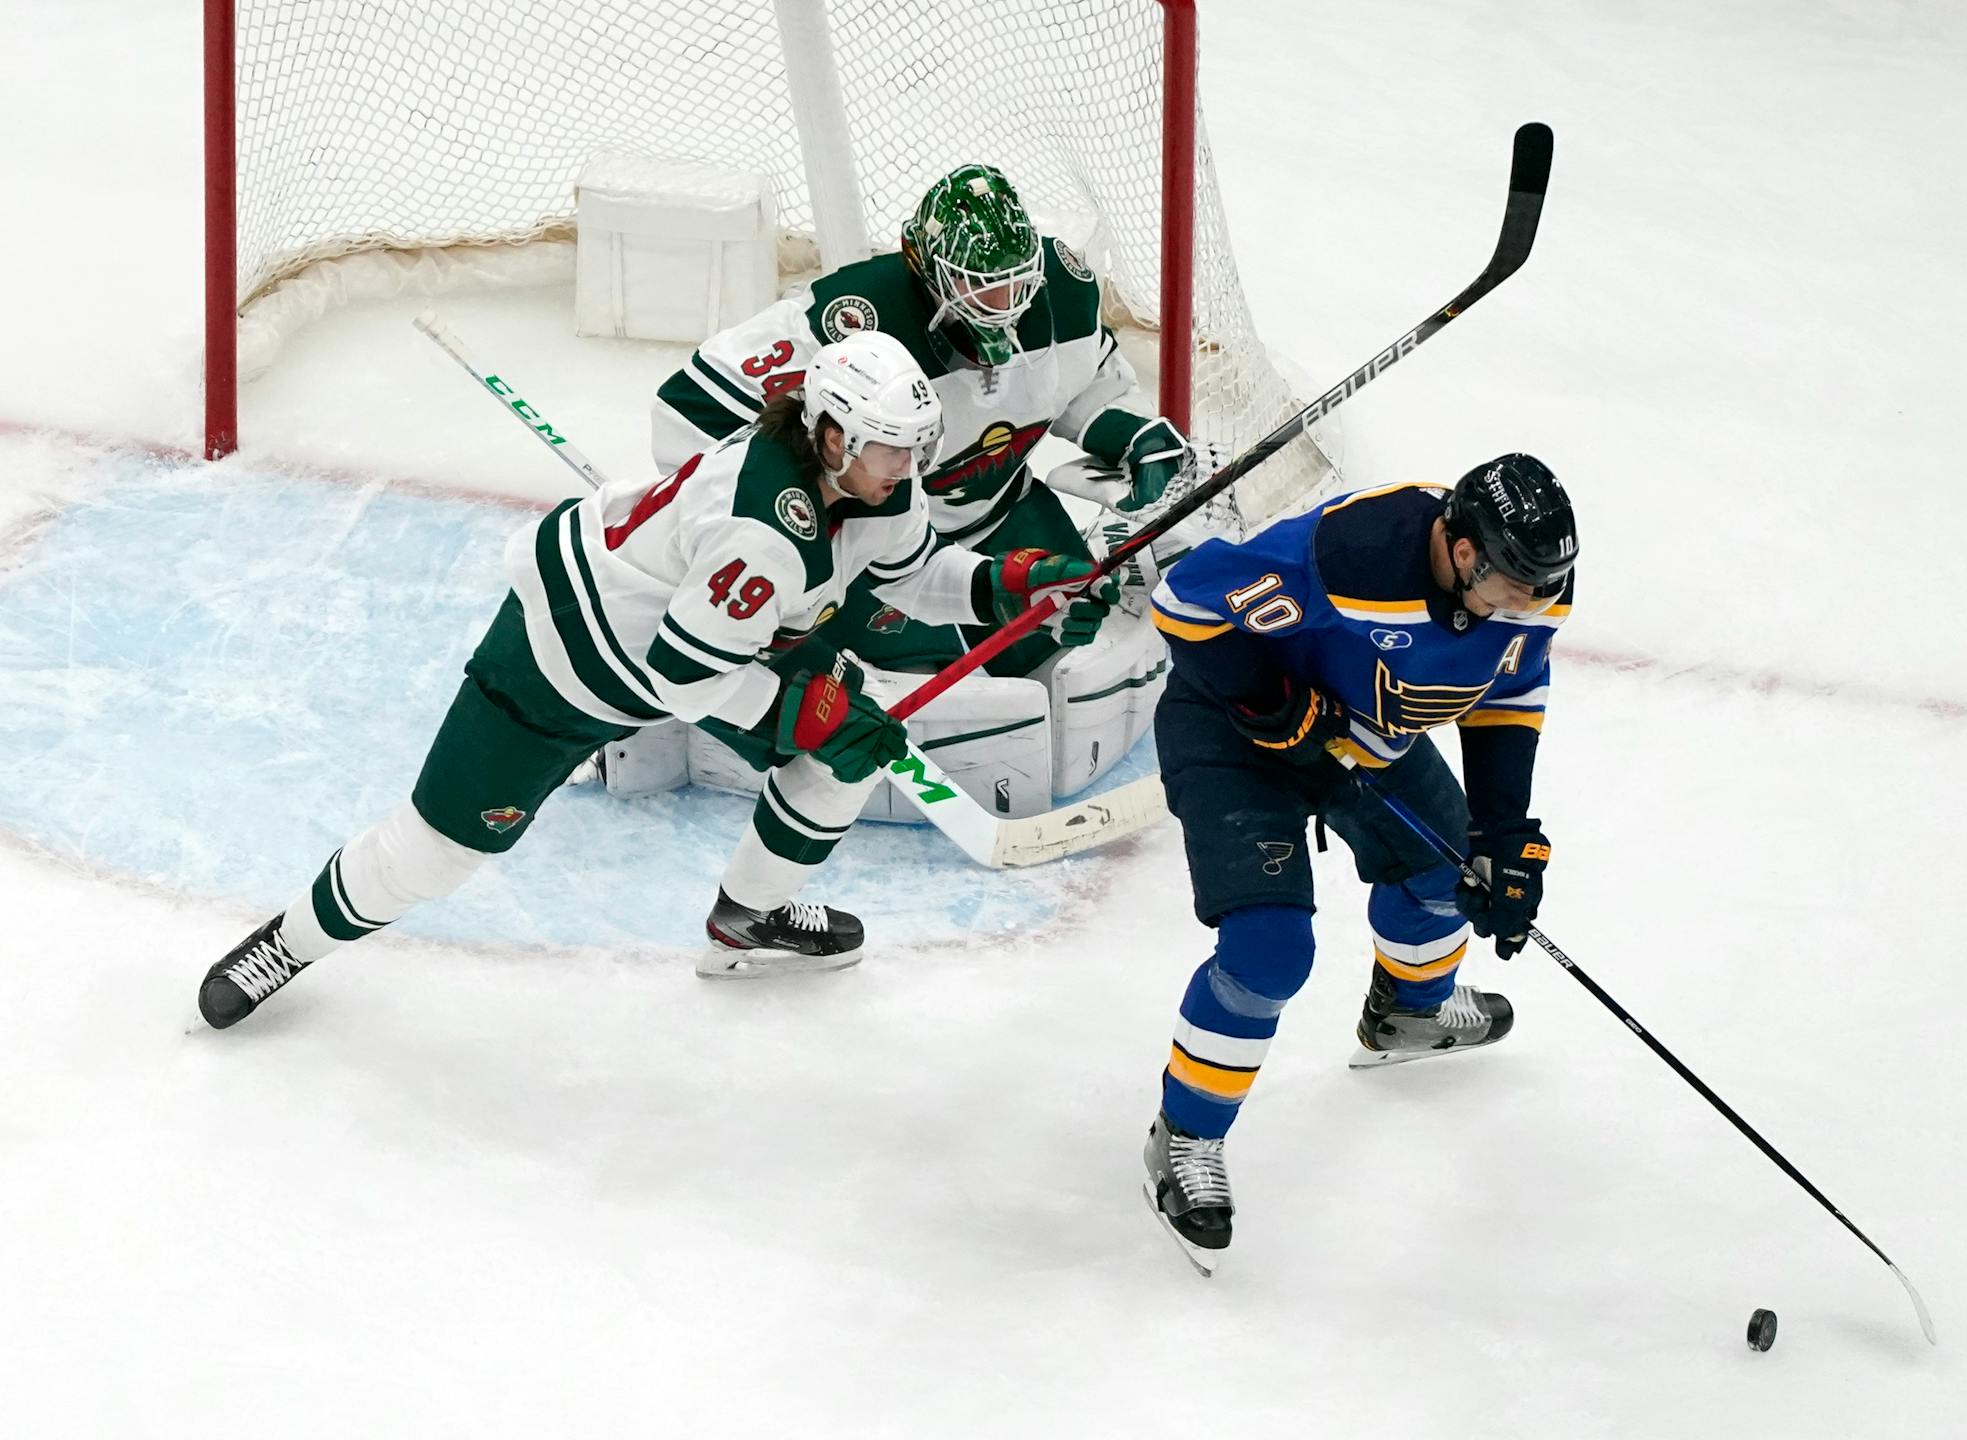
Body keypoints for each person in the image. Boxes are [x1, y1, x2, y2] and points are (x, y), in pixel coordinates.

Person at [195, 333, 1117, 1029]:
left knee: (851, 750)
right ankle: (289, 941)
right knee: (437, 853)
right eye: (888, 449)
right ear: (830, 432)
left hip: (713, 638)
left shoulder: (876, 483)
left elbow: (905, 572)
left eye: (916, 450)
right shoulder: (761, 526)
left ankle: (746, 924)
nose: (906, 471)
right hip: (569, 659)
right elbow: (682, 681)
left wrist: (1000, 583)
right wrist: (808, 711)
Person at [1138, 454, 1579, 1261]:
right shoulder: (1357, 554)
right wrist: (1265, 699)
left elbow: (1509, 693)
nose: (1524, 607)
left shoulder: (1532, 589)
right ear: (1464, 548)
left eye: (1539, 592)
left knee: (1451, 875)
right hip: (1234, 734)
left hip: (1360, 736)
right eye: (1510, 588)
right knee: (1268, 953)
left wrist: (1503, 834)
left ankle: (1407, 1012)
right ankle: (1186, 1135)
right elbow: (1185, 599)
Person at [650, 161, 1195, 680]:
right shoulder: (856, 321)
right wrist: (775, 524)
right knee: (924, 685)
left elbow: (1087, 383)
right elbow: (690, 408)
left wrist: (1134, 433)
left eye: (1015, 281)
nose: (1003, 304)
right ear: (927, 271)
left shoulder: (1064, 291)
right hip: (880, 546)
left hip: (1004, 511)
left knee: (1073, 624)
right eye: (978, 284)